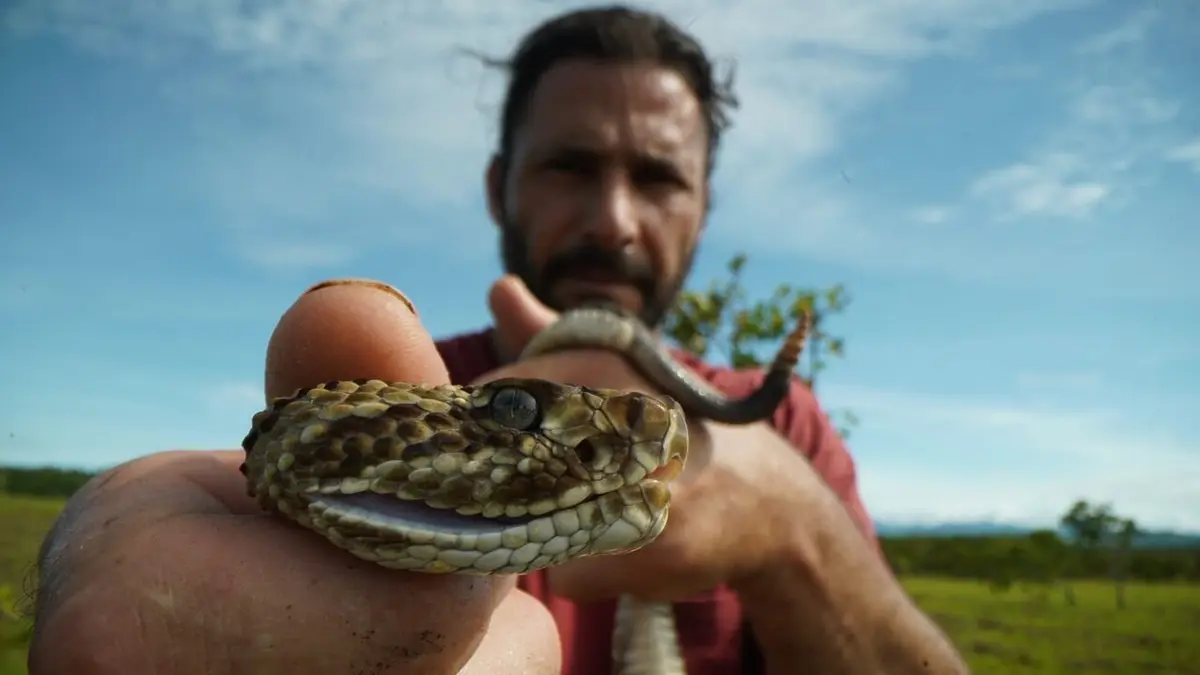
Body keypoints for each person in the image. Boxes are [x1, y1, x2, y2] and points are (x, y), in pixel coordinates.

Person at [28, 6, 968, 675]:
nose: (613, 219)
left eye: (658, 178)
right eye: (570, 165)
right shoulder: (406, 381)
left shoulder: (788, 423)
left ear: (704, 208)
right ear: (498, 186)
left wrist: (790, 526)